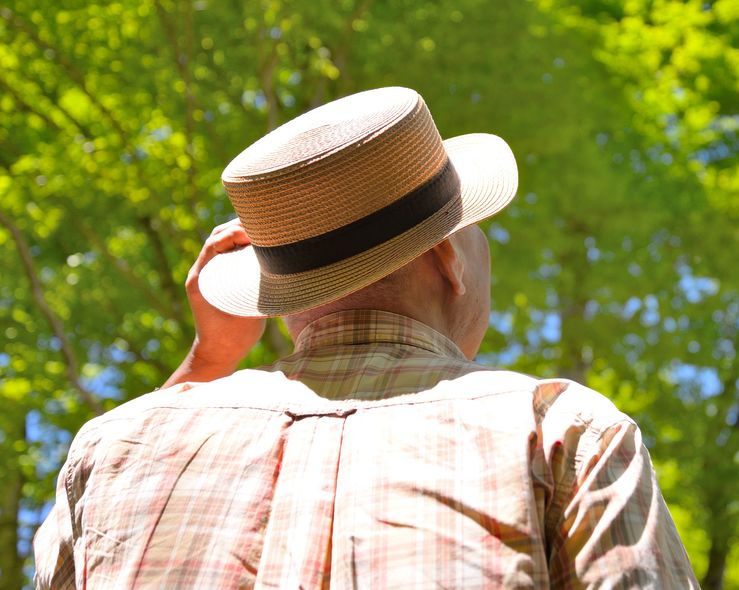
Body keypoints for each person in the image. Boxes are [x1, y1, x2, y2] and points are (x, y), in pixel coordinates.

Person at [33, 87, 699, 589]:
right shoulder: (561, 429)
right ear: (448, 261)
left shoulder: (113, 446)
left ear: (285, 301)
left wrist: (207, 363)